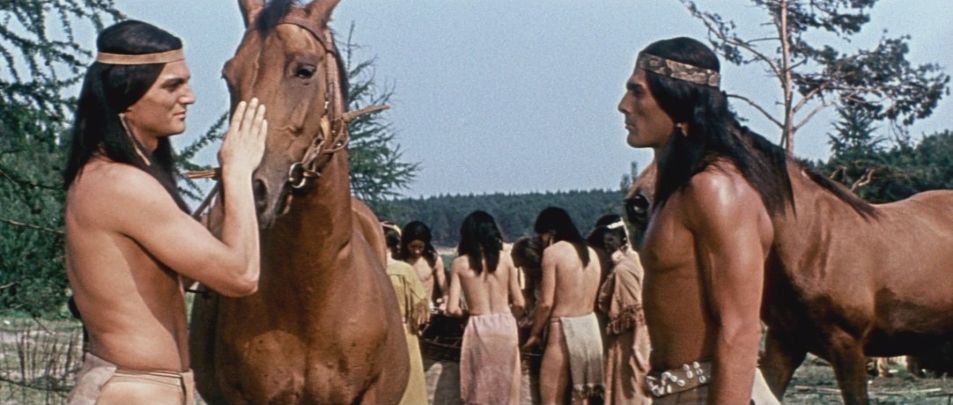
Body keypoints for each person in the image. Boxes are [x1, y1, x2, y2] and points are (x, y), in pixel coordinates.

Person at [63, 20, 267, 404]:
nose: (189, 97)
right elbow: (240, 276)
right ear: (127, 95)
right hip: (134, 391)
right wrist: (238, 171)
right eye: (172, 86)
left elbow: (184, 272)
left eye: (186, 83)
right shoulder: (119, 184)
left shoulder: (120, 179)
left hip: (152, 388)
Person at [617, 37, 785, 404]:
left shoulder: (715, 189)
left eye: (637, 92)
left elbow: (740, 330)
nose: (623, 105)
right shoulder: (679, 191)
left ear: (678, 102)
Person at [524, 207, 604, 404]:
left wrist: (534, 333)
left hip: (562, 330)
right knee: (584, 397)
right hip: (590, 329)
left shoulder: (553, 253)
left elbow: (546, 303)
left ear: (550, 232)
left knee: (551, 399)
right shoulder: (592, 254)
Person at [446, 211, 526, 405]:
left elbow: (452, 308)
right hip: (505, 324)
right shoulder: (506, 260)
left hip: (478, 325)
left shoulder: (459, 264)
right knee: (509, 386)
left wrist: (466, 314)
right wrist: (512, 316)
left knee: (478, 388)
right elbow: (519, 302)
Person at [589, 214, 651, 405]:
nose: (607, 243)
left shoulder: (623, 269)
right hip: (628, 338)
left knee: (628, 390)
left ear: (622, 237)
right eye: (605, 239)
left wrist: (636, 349)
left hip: (629, 341)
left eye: (611, 238)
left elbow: (634, 314)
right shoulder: (630, 260)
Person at [381, 222, 430, 405]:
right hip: (404, 332)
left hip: (377, 333)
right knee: (410, 385)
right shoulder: (404, 270)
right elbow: (421, 308)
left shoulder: (366, 270)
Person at [399, 220, 448, 311]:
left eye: (420, 247)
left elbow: (444, 288)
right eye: (413, 246)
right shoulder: (399, 262)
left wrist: (445, 300)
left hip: (428, 309)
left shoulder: (433, 260)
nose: (416, 251)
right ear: (406, 244)